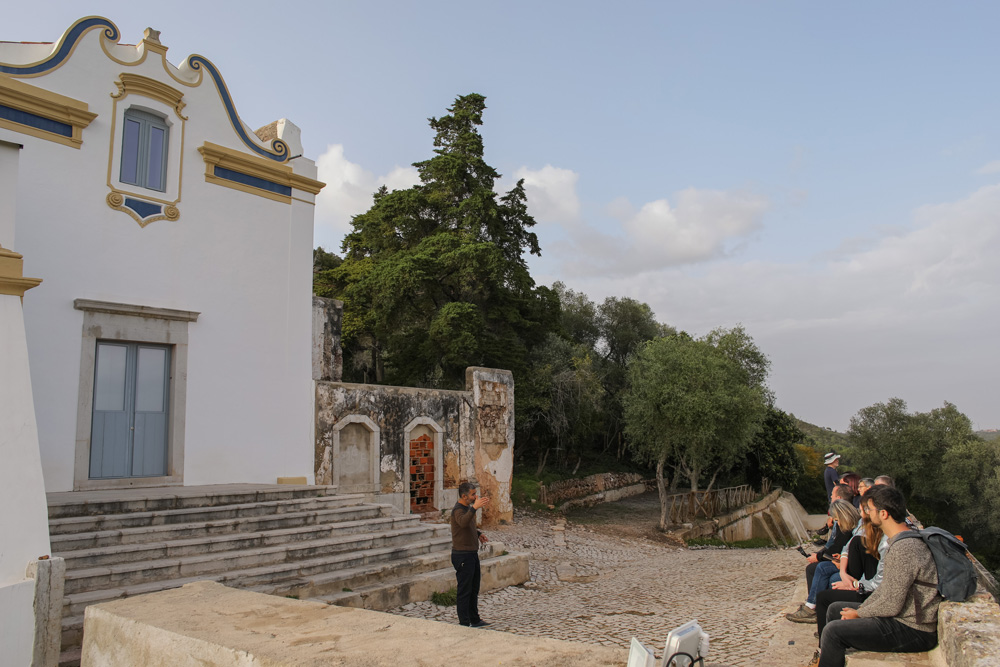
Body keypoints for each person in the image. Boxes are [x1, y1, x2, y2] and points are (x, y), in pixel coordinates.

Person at [811, 485, 940, 667]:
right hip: (901, 616)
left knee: (833, 631)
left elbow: (891, 602)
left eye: (869, 510)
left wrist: (859, 613)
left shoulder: (905, 548)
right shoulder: (900, 541)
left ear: (884, 514)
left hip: (913, 628)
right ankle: (826, 657)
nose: (866, 514)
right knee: (834, 609)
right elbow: (885, 590)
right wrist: (861, 610)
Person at [787, 500, 860, 623]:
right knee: (819, 569)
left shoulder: (849, 530)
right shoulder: (851, 527)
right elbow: (842, 548)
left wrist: (836, 562)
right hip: (845, 562)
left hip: (850, 567)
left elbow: (840, 548)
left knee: (822, 569)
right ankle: (814, 607)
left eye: (837, 520)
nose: (837, 523)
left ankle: (812, 607)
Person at [451, 481, 490, 627]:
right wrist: (474, 508)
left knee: (473, 589)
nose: (475, 497)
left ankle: (474, 619)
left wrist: (478, 534)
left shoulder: (467, 508)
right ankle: (464, 622)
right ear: (464, 496)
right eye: (473, 494)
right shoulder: (458, 510)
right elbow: (462, 522)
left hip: (471, 554)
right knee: (464, 591)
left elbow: (468, 526)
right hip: (462, 555)